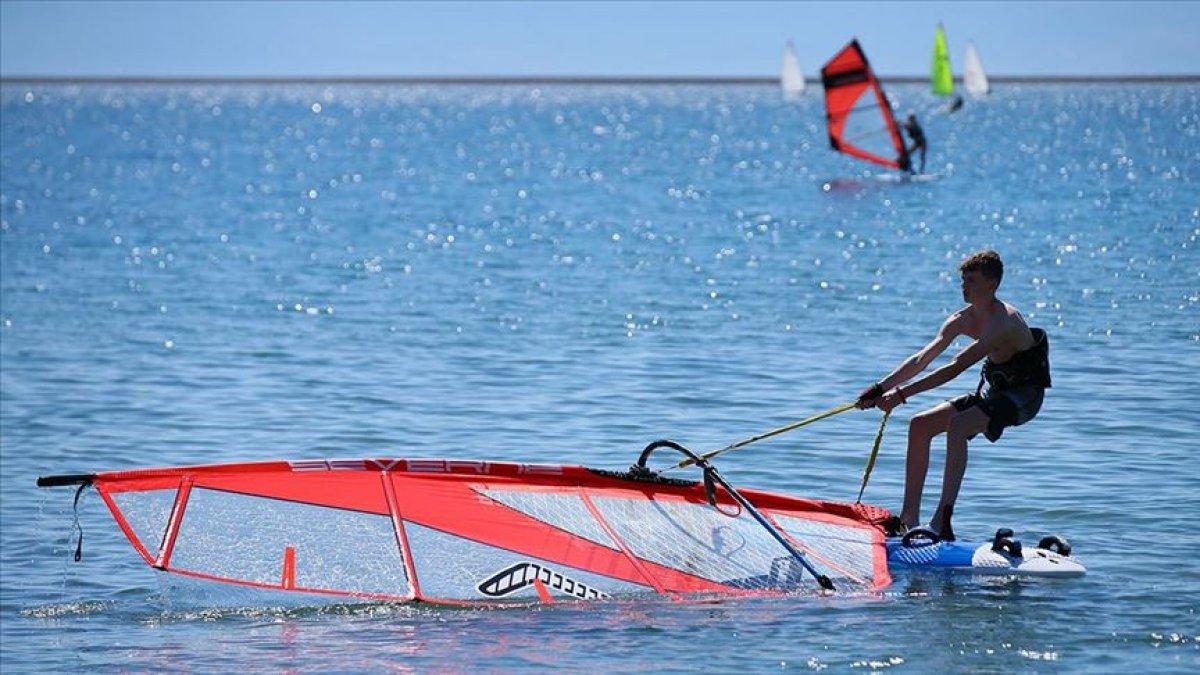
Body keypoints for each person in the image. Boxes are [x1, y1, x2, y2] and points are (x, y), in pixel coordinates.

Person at [856, 250, 1050, 541]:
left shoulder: (1003, 321)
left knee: (958, 426)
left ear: (992, 283)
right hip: (994, 394)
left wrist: (901, 395)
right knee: (919, 425)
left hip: (1024, 398)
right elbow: (923, 359)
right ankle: (909, 519)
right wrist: (881, 388)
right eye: (963, 280)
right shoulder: (962, 319)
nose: (964, 286)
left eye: (971, 280)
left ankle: (942, 523)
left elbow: (955, 368)